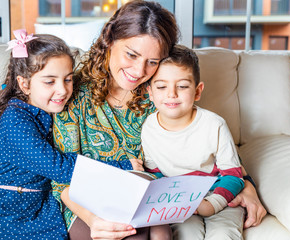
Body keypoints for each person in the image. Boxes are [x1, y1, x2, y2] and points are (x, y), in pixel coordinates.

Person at [52, 1, 266, 239]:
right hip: (86, 204)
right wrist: (94, 221)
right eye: (131, 54)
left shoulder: (161, 92)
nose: (139, 70)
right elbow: (60, 177)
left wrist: (246, 184)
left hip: (145, 202)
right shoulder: (72, 92)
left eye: (152, 61)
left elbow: (199, 142)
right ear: (110, 40)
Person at [0, 31, 80, 239]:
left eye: (67, 79)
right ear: (25, 84)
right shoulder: (15, 119)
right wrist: (121, 166)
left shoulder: (49, 110)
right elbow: (58, 167)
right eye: (50, 82)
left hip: (36, 210)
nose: (62, 90)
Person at [142, 44, 246, 239]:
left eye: (182, 86)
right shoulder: (148, 128)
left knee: (224, 234)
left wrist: (212, 204)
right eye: (162, 86)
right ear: (151, 93)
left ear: (197, 91)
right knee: (185, 235)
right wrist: (176, 204)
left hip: (221, 198)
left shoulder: (214, 125)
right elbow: (154, 174)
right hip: (180, 206)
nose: (171, 94)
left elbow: (234, 175)